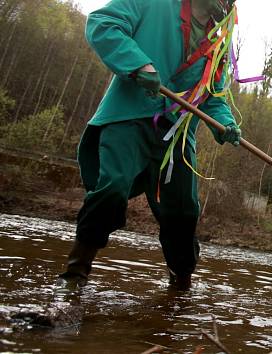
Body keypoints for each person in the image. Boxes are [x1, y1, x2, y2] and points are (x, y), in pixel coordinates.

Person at [55, 0, 242, 295]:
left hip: (178, 135)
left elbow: (214, 96)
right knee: (113, 187)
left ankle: (180, 289)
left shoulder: (219, 38)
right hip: (130, 114)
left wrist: (225, 124)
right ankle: (73, 279)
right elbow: (102, 24)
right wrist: (138, 64)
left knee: (184, 212)